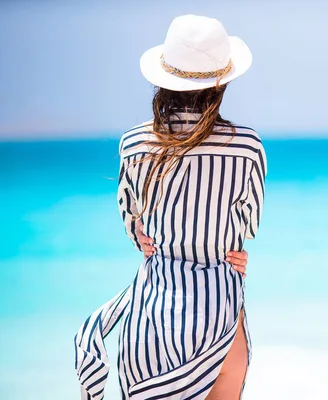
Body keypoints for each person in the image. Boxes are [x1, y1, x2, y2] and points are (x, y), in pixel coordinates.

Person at [74, 15, 266, 400]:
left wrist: (152, 238)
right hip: (219, 312)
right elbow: (248, 227)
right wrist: (228, 249)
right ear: (221, 84)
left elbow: (135, 226)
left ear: (163, 80)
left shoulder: (133, 144)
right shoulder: (247, 147)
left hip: (153, 314)